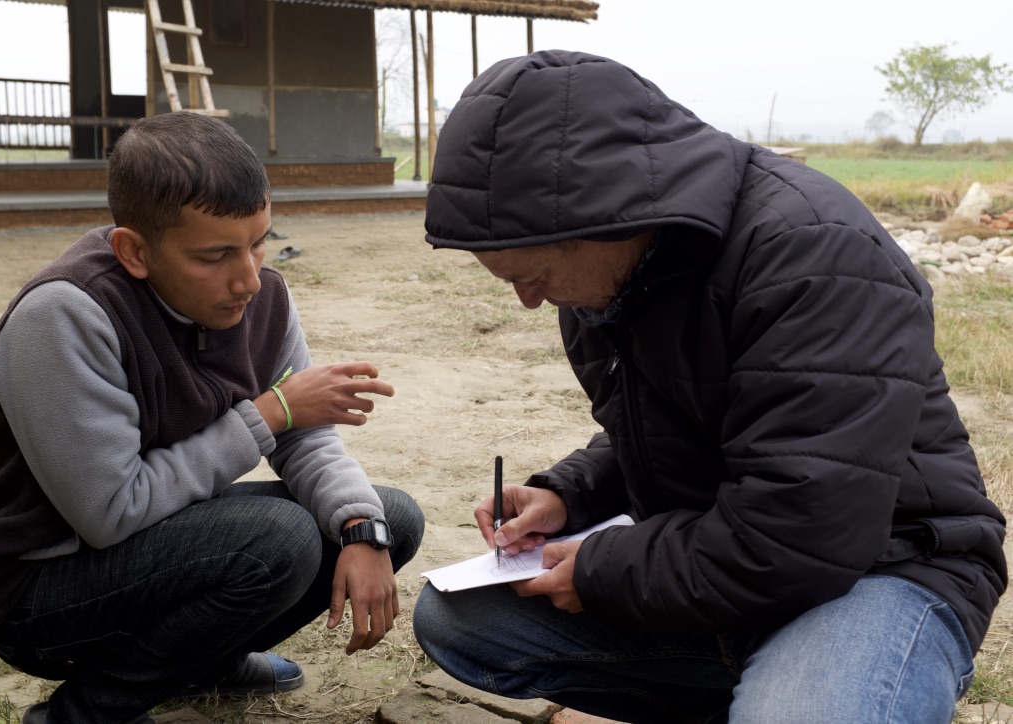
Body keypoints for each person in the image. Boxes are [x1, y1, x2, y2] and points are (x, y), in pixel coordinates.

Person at [412, 50, 1007, 723]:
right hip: (731, 560)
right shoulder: (606, 279)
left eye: (535, 273)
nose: (528, 301)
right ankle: (768, 686)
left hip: (881, 570)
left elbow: (803, 529)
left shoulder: (815, 253)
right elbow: (682, 426)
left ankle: (835, 680)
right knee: (460, 618)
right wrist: (568, 493)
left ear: (610, 214)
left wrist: (604, 568)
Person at [0, 112, 425, 724]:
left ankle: (203, 660)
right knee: (279, 540)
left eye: (259, 242)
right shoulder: (64, 316)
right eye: (216, 255)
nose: (249, 277)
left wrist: (362, 529)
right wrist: (268, 414)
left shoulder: (262, 299)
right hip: (37, 589)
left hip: (160, 547)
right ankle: (86, 713)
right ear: (134, 251)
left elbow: (306, 441)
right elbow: (111, 513)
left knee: (387, 520)